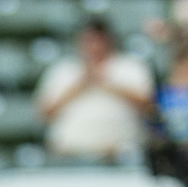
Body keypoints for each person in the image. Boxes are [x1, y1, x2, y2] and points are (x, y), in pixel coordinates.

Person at [35, 18, 155, 160]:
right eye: (89, 40)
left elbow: (149, 108)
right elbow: (44, 114)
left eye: (99, 40)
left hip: (121, 153)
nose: (94, 46)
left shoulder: (131, 67)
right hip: (70, 154)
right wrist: (79, 86)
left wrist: (108, 83)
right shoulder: (63, 69)